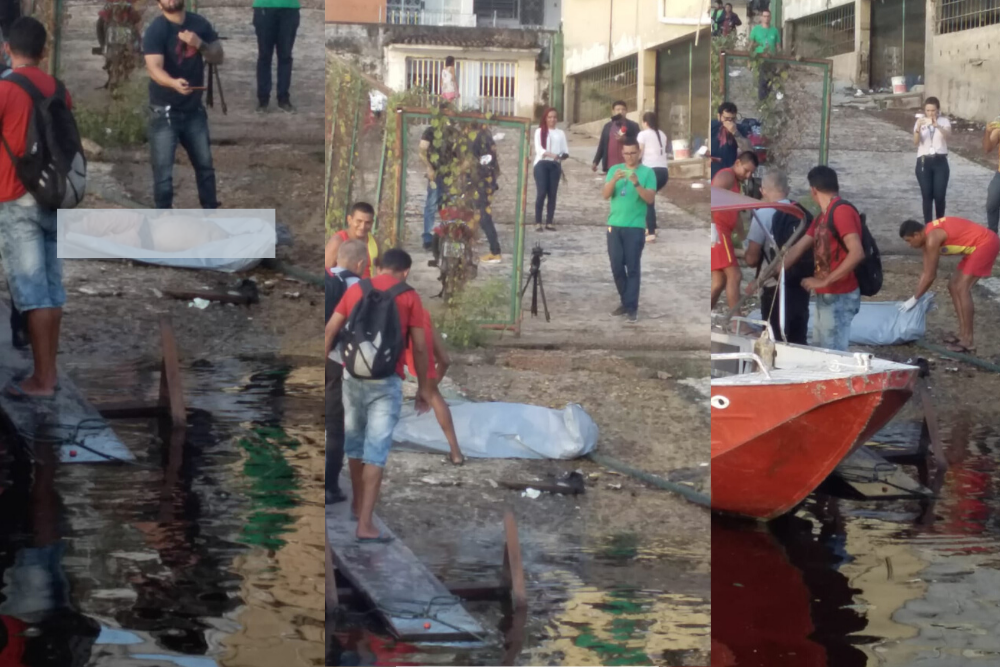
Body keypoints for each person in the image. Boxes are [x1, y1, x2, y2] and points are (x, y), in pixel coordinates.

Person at [324, 248, 433, 543]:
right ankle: (366, 525)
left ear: (377, 266)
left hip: (352, 375)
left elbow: (331, 329)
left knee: (355, 443)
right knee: (377, 451)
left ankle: (358, 505)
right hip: (386, 382)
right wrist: (424, 387)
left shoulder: (358, 287)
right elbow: (421, 347)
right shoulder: (410, 297)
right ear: (406, 271)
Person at [0, 17, 71, 398]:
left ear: (6, 48)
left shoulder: (4, 90)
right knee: (52, 290)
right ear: (44, 52)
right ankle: (50, 373)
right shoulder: (59, 87)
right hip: (54, 197)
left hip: (16, 198)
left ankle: (42, 380)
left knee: (32, 295)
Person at [143, 0, 223, 209]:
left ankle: (211, 215)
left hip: (194, 111)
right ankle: (163, 222)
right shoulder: (156, 30)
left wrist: (200, 44)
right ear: (159, 4)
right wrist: (172, 83)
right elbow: (154, 68)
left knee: (205, 167)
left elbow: (218, 56)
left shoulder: (200, 25)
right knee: (163, 175)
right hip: (163, 111)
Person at [781, 166, 864, 352]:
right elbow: (799, 248)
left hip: (840, 293)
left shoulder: (841, 212)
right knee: (820, 349)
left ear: (813, 190)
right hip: (826, 294)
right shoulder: (821, 217)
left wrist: (824, 281)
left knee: (833, 352)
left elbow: (857, 252)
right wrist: (771, 275)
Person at [899, 217, 1000, 354]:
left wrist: (914, 299)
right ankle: (962, 334)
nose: (909, 245)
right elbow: (926, 271)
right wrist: (915, 296)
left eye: (909, 241)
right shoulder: (927, 238)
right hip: (974, 247)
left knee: (962, 289)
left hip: (985, 243)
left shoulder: (932, 238)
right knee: (953, 286)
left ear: (917, 235)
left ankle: (968, 340)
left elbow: (930, 276)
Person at [744, 170, 813, 344]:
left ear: (763, 191)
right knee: (798, 338)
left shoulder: (764, 213)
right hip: (801, 282)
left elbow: (752, 259)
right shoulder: (801, 213)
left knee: (774, 337)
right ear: (787, 189)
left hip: (774, 284)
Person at [325, 240, 369, 505]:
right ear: (361, 264)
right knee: (336, 425)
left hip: (323, 356)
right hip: (342, 362)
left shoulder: (325, 279)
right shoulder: (359, 288)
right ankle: (330, 486)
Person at [602, 137, 656, 323]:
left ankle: (631, 306)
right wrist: (613, 180)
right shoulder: (614, 170)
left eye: (633, 153)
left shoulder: (648, 173)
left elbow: (649, 199)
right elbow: (605, 195)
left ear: (639, 153)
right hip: (614, 225)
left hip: (635, 226)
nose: (629, 157)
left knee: (632, 267)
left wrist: (636, 184)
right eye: (626, 153)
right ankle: (626, 301)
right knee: (616, 266)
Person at [404, 310, 464, 466]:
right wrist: (426, 389)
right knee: (433, 392)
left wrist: (425, 389)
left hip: (405, 331)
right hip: (415, 325)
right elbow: (444, 360)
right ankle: (456, 452)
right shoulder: (422, 312)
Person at [711, 151, 757, 310]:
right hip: (718, 230)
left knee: (719, 282)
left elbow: (734, 214)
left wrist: (743, 238)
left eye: (751, 172)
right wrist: (712, 229)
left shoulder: (735, 182)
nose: (748, 175)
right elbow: (712, 198)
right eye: (746, 170)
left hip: (723, 231)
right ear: (737, 163)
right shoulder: (727, 176)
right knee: (735, 276)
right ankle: (738, 322)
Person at [909, 97, 952, 224]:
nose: (930, 113)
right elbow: (916, 143)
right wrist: (918, 128)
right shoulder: (919, 122)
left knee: (939, 195)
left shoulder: (944, 121)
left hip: (940, 160)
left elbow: (948, 136)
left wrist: (937, 126)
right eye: (928, 110)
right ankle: (928, 225)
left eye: (933, 110)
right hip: (924, 160)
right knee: (927, 195)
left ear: (938, 110)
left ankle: (940, 223)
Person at [252, 0, 299, 114]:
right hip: (265, 7)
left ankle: (283, 99)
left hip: (289, 8)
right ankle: (263, 100)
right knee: (264, 56)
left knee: (285, 56)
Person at [418, 113, 453, 251]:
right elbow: (421, 151)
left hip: (450, 174)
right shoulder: (430, 131)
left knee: (447, 204)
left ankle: (449, 234)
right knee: (431, 203)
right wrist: (429, 167)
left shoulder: (452, 132)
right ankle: (428, 237)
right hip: (435, 173)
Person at [470, 120, 502, 263]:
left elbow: (487, 160)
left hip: (482, 183)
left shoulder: (481, 137)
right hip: (483, 182)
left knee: (484, 216)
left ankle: (495, 251)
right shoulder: (484, 136)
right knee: (477, 214)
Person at [533, 106, 567, 233]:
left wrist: (563, 156)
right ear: (545, 118)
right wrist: (552, 154)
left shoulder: (560, 133)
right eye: (550, 117)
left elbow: (564, 150)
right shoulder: (540, 131)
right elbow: (539, 150)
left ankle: (549, 221)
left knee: (552, 194)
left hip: (555, 165)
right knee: (542, 192)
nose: (552, 120)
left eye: (554, 117)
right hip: (542, 164)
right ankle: (537, 221)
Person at [324, 201, 379, 278]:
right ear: (349, 220)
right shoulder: (338, 241)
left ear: (372, 223)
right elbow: (325, 272)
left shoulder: (374, 241)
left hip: (367, 288)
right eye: (359, 221)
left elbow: (379, 270)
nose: (363, 226)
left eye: (367, 223)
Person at [637, 111, 669, 243]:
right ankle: (653, 227)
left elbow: (640, 153)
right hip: (664, 172)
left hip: (651, 171)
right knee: (650, 198)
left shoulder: (643, 134)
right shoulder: (662, 134)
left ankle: (650, 232)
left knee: (648, 200)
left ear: (645, 122)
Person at [592, 100, 640, 174]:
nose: (621, 111)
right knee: (611, 184)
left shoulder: (633, 125)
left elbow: (639, 142)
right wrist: (596, 161)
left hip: (627, 165)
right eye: (618, 109)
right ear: (613, 111)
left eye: (623, 109)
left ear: (626, 111)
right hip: (610, 166)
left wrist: (626, 139)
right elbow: (602, 145)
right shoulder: (607, 126)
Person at [711, 102, 752, 179]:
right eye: (726, 119)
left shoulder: (740, 129)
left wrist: (735, 132)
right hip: (712, 172)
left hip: (729, 172)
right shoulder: (712, 126)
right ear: (719, 116)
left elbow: (749, 150)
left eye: (732, 119)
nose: (729, 122)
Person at [749, 9, 780, 101]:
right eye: (764, 16)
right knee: (762, 81)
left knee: (770, 81)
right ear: (761, 17)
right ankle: (762, 103)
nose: (766, 18)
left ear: (770, 18)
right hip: (760, 60)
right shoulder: (755, 30)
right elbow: (750, 46)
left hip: (772, 60)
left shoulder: (775, 31)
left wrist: (781, 60)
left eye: (768, 16)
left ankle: (768, 103)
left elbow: (778, 46)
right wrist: (749, 60)